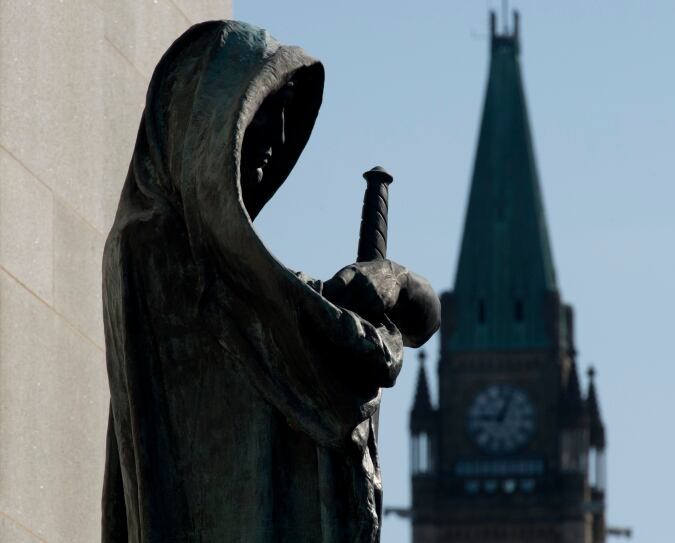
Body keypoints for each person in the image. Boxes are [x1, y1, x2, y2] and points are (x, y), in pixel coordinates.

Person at [101, 20, 439, 542]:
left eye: (287, 114)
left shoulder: (252, 290)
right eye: (264, 110)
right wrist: (363, 323)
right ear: (211, 117)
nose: (279, 135)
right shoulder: (159, 250)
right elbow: (350, 355)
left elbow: (423, 317)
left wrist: (391, 282)